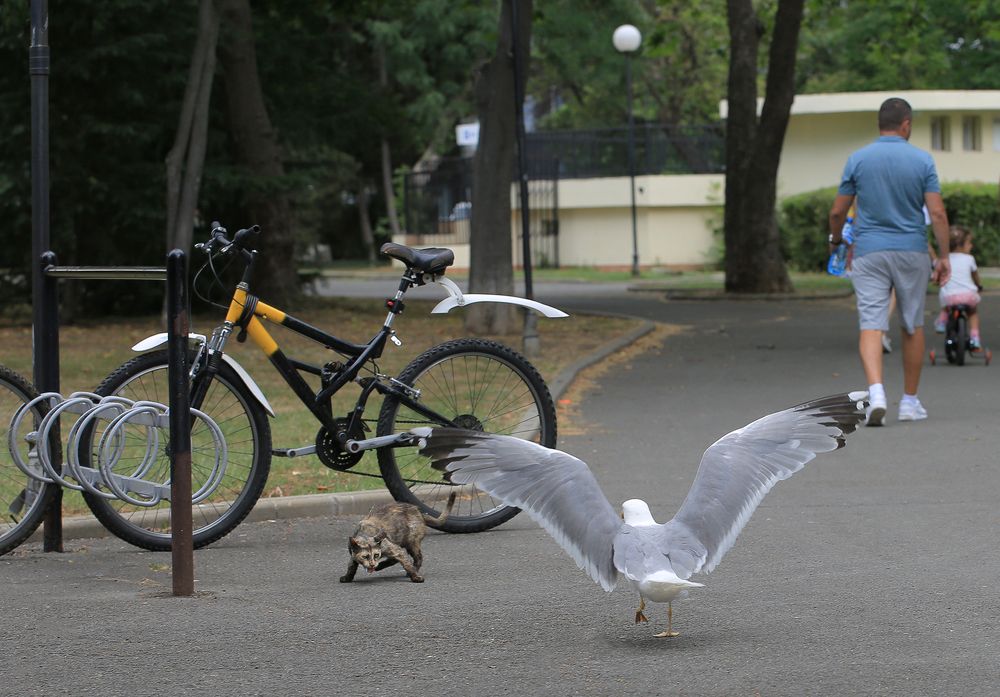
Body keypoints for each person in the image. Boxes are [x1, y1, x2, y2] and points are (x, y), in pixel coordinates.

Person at [828, 97, 951, 426]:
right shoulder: (922, 160)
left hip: (869, 252)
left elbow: (838, 211)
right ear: (906, 124)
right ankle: (910, 402)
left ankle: (877, 392)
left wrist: (836, 240)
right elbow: (937, 212)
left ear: (880, 124)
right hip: (912, 251)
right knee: (912, 323)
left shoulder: (858, 159)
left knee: (871, 323)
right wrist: (944, 257)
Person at [934, 226, 984, 348]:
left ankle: (942, 322)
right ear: (960, 245)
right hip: (968, 297)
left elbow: (937, 276)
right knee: (972, 313)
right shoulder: (969, 259)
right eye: (969, 243)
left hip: (949, 297)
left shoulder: (943, 260)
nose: (971, 246)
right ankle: (975, 338)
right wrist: (978, 285)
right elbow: (975, 276)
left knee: (946, 303)